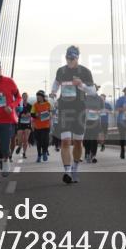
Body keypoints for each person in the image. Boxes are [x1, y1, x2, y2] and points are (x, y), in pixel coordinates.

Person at [49, 46, 96, 183]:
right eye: (68, 58)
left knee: (78, 142)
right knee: (65, 141)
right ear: (66, 57)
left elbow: (92, 92)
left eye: (73, 58)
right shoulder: (61, 71)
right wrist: (53, 93)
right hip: (64, 110)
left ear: (77, 58)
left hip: (80, 110)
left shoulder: (85, 72)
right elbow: (56, 83)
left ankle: (75, 167)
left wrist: (81, 84)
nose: (70, 60)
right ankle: (68, 172)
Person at [83, 88, 104, 163]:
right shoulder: (85, 98)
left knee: (94, 139)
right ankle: (87, 152)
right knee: (87, 139)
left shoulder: (100, 99)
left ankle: (93, 155)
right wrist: (85, 111)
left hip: (96, 121)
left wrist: (99, 112)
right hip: (86, 121)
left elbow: (102, 109)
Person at [31, 90, 53, 162]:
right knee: (39, 142)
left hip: (46, 125)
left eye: (39, 97)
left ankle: (44, 152)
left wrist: (50, 114)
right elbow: (32, 114)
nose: (38, 98)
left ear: (43, 97)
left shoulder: (48, 104)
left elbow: (52, 112)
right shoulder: (35, 105)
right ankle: (39, 155)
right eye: (37, 97)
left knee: (45, 140)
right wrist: (36, 115)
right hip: (38, 126)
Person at [13, 91, 32, 158]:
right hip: (20, 123)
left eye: (26, 96)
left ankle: (24, 153)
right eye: (23, 96)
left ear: (27, 97)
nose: (25, 98)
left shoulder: (30, 105)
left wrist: (29, 115)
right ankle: (20, 146)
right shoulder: (19, 105)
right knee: (20, 139)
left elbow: (32, 114)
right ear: (22, 97)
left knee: (26, 139)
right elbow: (16, 113)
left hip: (27, 123)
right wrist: (21, 115)